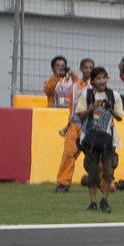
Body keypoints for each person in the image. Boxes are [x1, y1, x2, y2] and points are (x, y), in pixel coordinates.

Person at [74, 66, 124, 214]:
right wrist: (92, 107)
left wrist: (109, 109)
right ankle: (93, 202)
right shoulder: (86, 94)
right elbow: (80, 116)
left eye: (104, 77)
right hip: (90, 139)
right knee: (92, 172)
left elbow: (120, 117)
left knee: (108, 172)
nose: (102, 81)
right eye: (98, 78)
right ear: (93, 81)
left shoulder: (114, 96)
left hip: (108, 139)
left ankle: (104, 200)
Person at [54, 57, 93, 193]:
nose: (88, 70)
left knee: (95, 156)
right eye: (86, 67)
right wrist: (68, 124)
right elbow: (72, 107)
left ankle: (106, 182)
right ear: (82, 68)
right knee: (68, 154)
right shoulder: (75, 86)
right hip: (75, 125)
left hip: (89, 126)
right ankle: (63, 183)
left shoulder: (95, 85)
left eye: (90, 68)